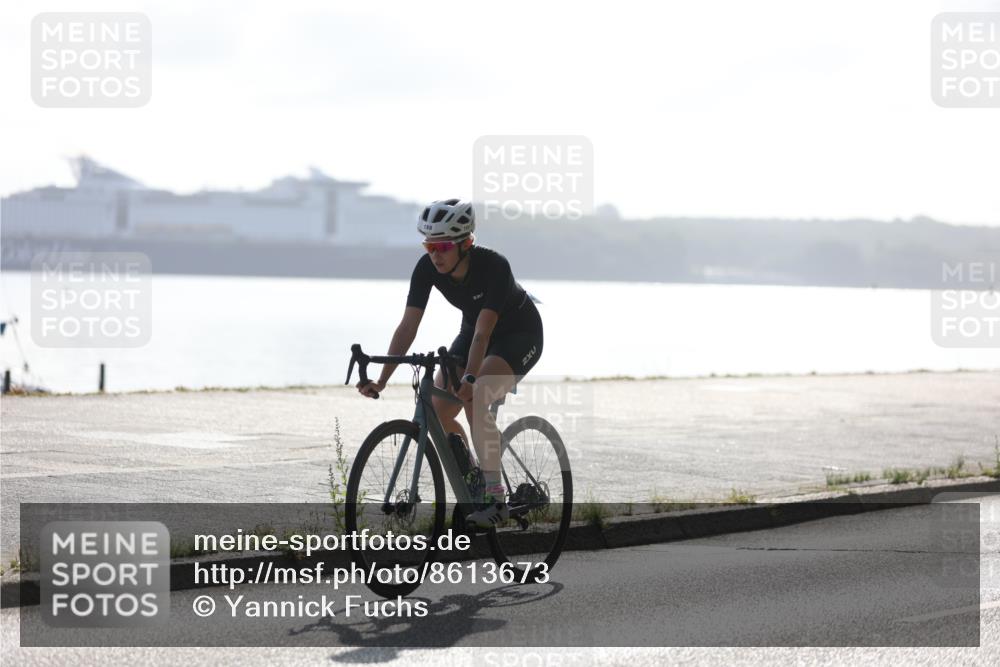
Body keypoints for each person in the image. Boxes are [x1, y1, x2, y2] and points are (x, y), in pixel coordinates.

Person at [356, 198, 544, 528]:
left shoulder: (495, 266)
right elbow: (408, 326)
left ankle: (496, 500)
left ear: (465, 243)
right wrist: (382, 379)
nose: (435, 254)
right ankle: (474, 479)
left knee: (476, 398)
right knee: (439, 410)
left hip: (518, 335)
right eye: (429, 245)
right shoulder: (427, 267)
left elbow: (485, 334)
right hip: (473, 332)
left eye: (442, 246)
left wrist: (471, 378)